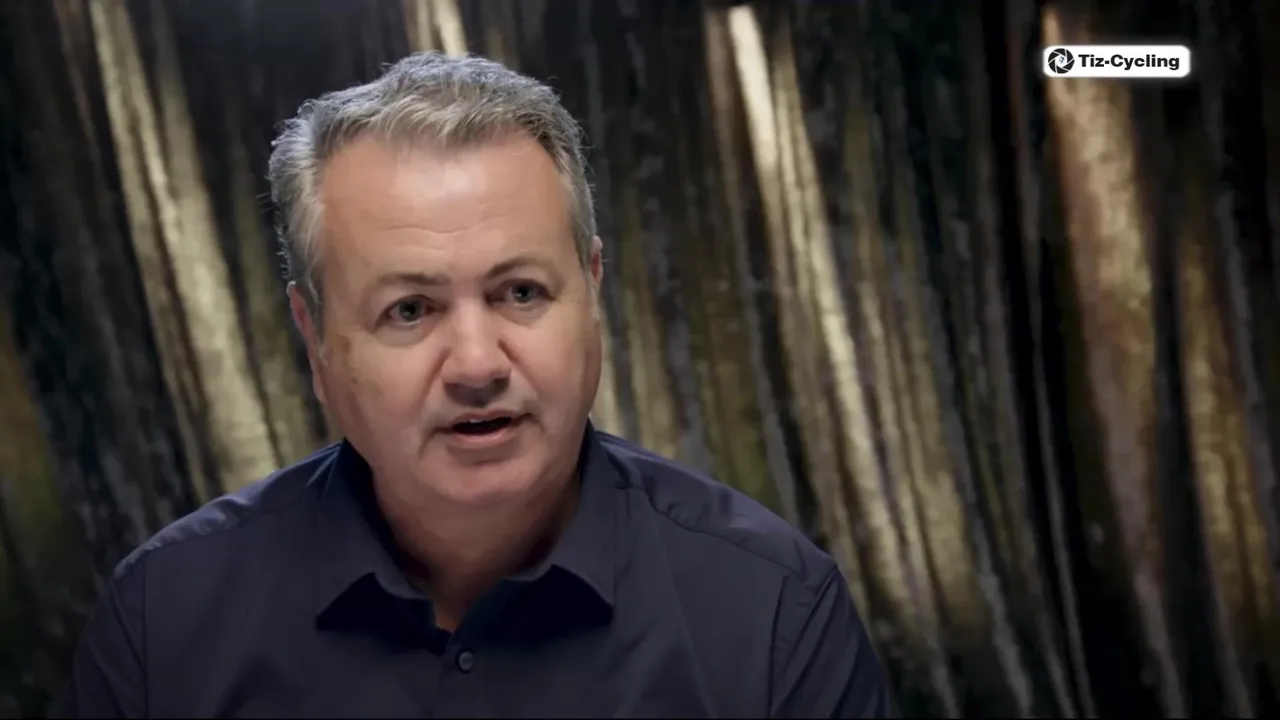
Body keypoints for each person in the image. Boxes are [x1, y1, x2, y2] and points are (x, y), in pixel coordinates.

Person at [55, 51, 895, 718]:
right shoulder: (165, 619)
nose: (478, 364)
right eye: (410, 309)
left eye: (520, 293)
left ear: (592, 291)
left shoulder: (774, 611)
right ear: (315, 338)